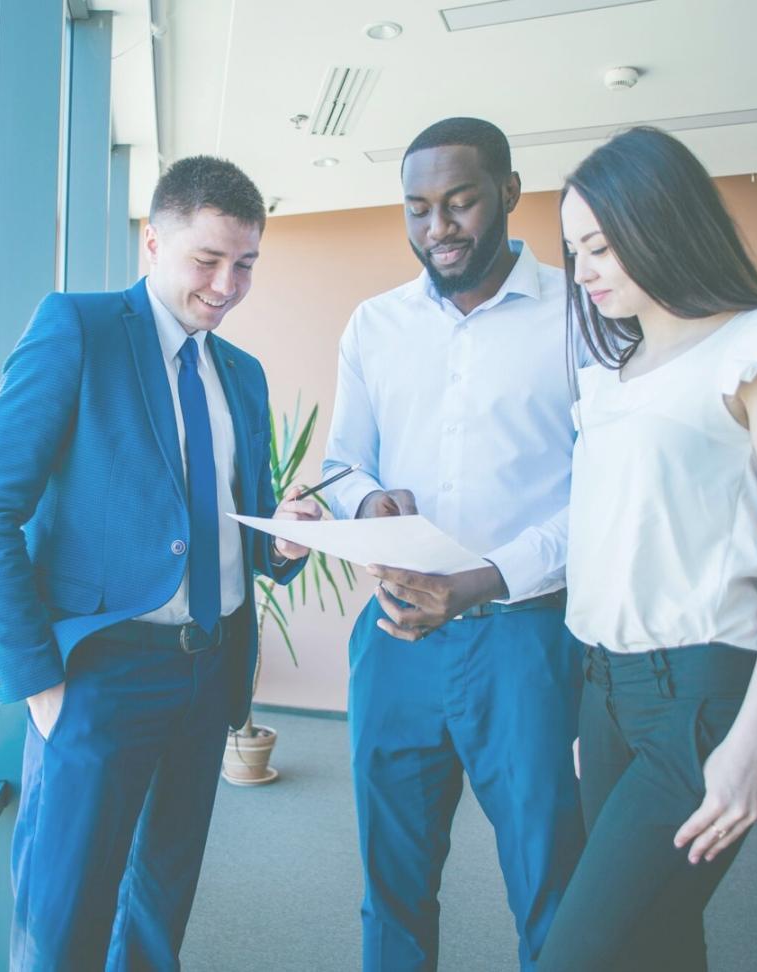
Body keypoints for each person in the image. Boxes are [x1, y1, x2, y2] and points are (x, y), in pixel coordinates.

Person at [0, 155, 320, 971]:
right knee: (64, 925)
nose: (228, 285)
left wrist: (285, 537)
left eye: (247, 264)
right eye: (208, 260)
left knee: (160, 911)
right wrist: (41, 683)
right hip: (100, 677)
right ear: (153, 242)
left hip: (208, 670)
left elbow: (236, 529)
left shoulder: (243, 375)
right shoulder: (77, 329)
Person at [538, 126, 757, 971]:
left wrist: (756, 734)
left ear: (661, 222)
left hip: (704, 702)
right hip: (607, 695)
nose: (586, 270)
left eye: (600, 245)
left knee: (582, 953)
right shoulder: (618, 373)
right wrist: (593, 707)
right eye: (574, 252)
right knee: (660, 944)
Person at [322, 117, 586, 971]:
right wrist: (366, 498)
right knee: (391, 881)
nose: (437, 227)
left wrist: (483, 581)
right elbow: (338, 462)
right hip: (396, 635)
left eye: (460, 201)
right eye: (418, 207)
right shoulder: (374, 324)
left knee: (550, 881)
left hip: (528, 638)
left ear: (509, 193)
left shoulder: (579, 316)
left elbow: (604, 494)